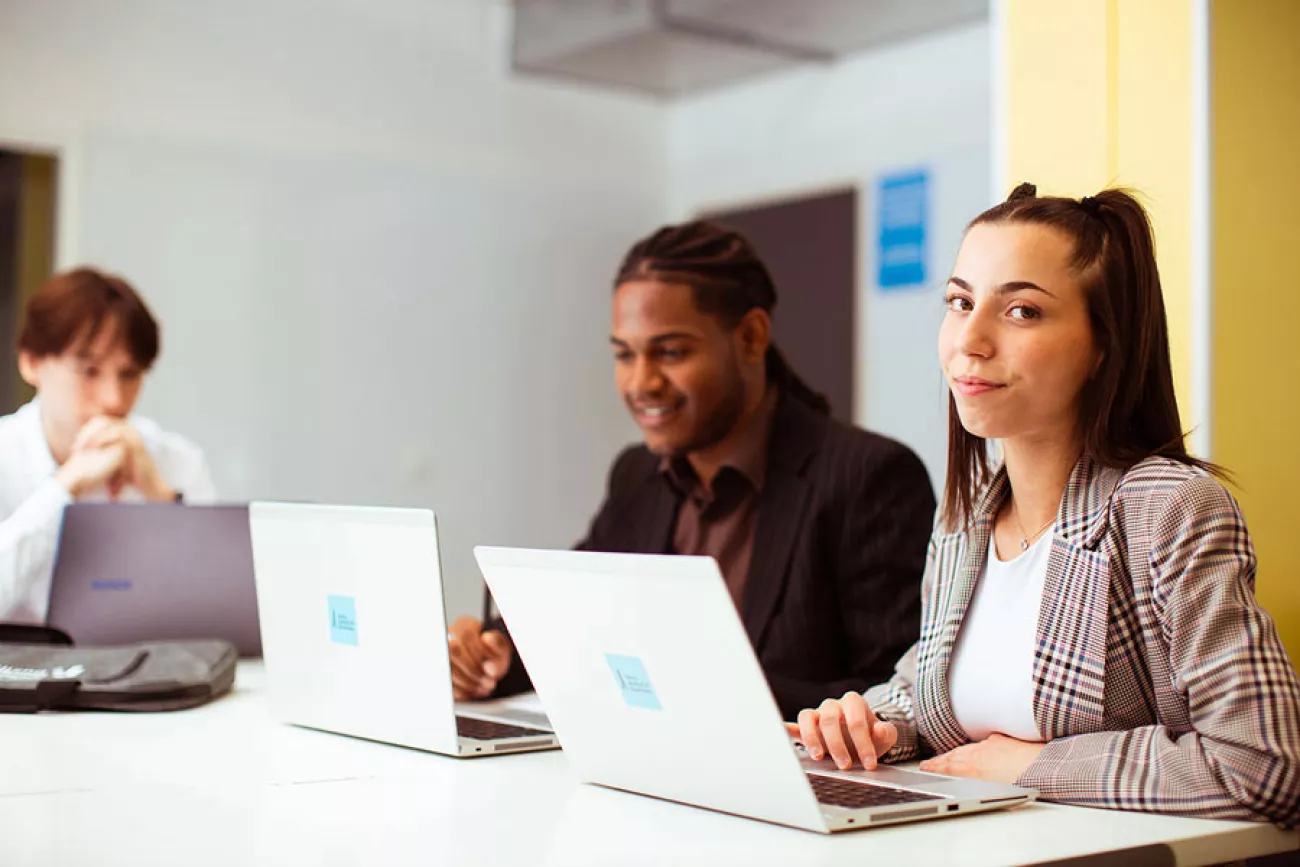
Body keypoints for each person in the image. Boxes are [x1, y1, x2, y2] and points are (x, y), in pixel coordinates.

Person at [790, 184, 1300, 827]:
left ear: (1103, 346)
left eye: (1022, 311)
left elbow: (1265, 764)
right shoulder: (966, 515)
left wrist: (1037, 766)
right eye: (959, 302)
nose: (968, 340)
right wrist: (877, 722)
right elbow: (938, 689)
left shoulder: (1170, 510)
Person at [448, 220, 936, 718]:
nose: (642, 383)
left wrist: (706, 687)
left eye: (671, 352)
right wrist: (499, 656)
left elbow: (903, 693)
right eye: (624, 354)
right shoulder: (637, 475)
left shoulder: (869, 477)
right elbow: (577, 621)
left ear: (750, 337)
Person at [0, 267, 216, 623]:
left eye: (129, 374)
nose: (114, 399)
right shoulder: (6, 453)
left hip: (145, 668)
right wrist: (64, 487)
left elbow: (217, 607)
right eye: (89, 371)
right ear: (31, 362)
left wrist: (162, 498)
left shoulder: (177, 461)